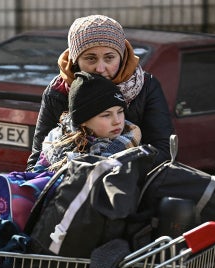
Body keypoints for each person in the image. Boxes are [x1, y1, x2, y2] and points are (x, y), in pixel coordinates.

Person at [26, 14, 172, 171]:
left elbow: (163, 151)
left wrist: (110, 171)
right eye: (91, 59)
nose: (100, 68)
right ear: (76, 61)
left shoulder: (145, 86)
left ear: (122, 58)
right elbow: (38, 157)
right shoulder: (58, 91)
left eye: (109, 58)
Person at [32, 71, 141, 173]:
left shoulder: (131, 138)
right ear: (83, 120)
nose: (117, 121)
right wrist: (122, 146)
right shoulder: (57, 146)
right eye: (106, 115)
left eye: (120, 112)